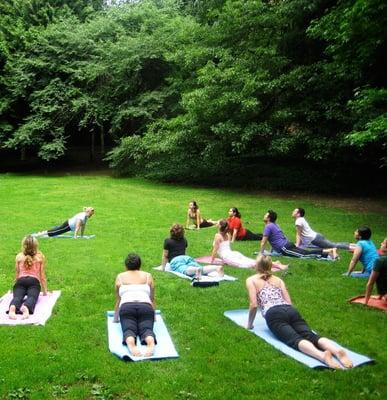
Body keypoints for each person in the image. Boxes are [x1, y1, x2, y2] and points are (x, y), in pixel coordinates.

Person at [246, 255, 353, 369]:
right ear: (270, 265)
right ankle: (337, 351)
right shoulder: (279, 280)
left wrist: (249, 325)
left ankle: (322, 356)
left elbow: (253, 305)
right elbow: (288, 301)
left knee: (294, 339)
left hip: (273, 314)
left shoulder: (251, 280)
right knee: (311, 335)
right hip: (290, 310)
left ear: (257, 266)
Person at [113, 253, 156, 357]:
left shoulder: (120, 277)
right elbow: (152, 299)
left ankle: (131, 345)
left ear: (126, 266)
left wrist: (115, 318)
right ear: (139, 265)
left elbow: (118, 300)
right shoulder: (147, 276)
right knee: (147, 329)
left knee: (128, 329)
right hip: (145, 307)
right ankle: (150, 344)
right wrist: (153, 316)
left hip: (127, 307)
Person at [260, 210, 338, 259]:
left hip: (284, 248)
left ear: (269, 218)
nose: (264, 216)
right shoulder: (275, 225)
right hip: (288, 244)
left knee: (304, 255)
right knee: (305, 252)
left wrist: (261, 253)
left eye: (265, 215)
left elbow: (263, 242)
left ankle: (328, 251)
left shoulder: (268, 226)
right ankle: (328, 251)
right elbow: (279, 237)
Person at [211, 220, 288, 270]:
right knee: (251, 261)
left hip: (228, 256)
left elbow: (215, 249)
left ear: (220, 226)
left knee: (251, 265)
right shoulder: (227, 235)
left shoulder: (217, 236)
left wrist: (212, 260)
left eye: (218, 223)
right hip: (233, 253)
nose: (216, 223)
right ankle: (274, 263)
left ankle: (275, 265)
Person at [8, 235, 48, 320]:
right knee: (32, 297)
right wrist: (45, 292)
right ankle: (26, 307)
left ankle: (12, 308)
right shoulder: (40, 257)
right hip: (33, 282)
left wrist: (13, 289)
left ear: (24, 245)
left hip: (20, 282)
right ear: (36, 246)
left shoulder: (19, 256)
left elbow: (17, 274)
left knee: (17, 297)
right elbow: (42, 276)